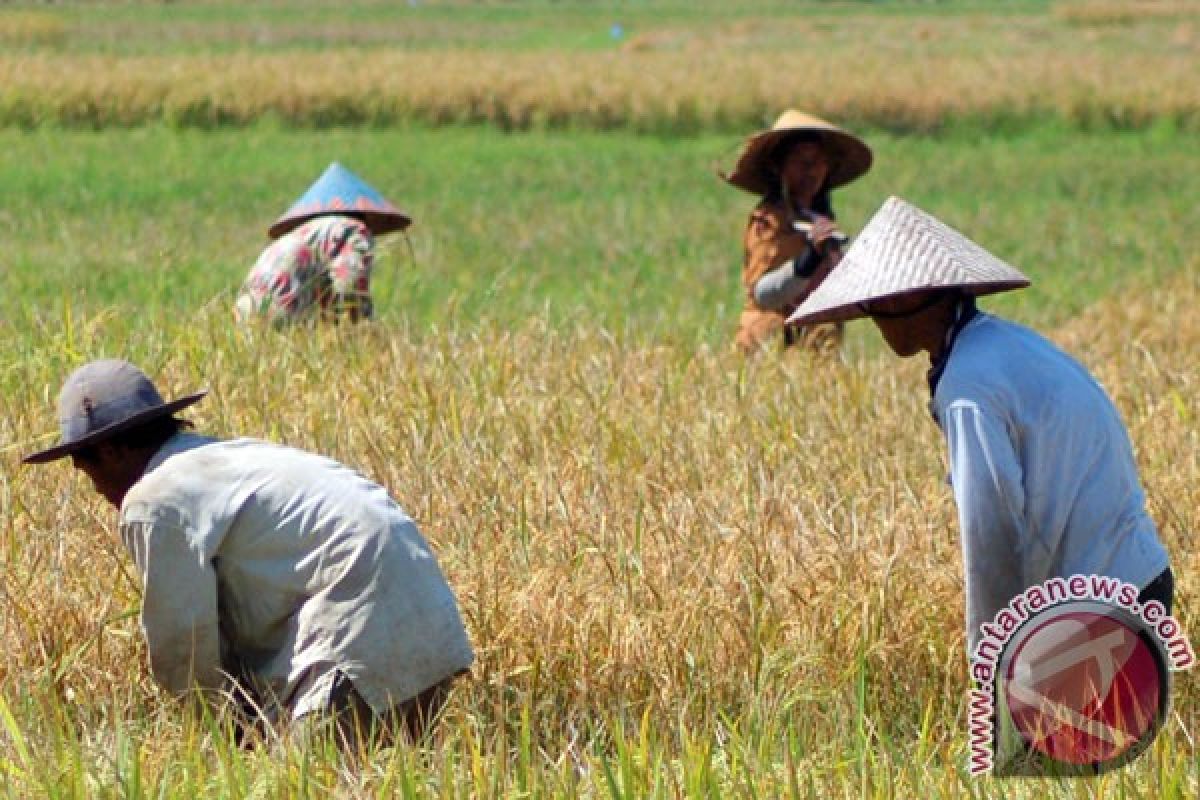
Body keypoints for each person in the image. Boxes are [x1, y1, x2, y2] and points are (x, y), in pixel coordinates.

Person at [785, 196, 1173, 654]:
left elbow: (991, 526)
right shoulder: (1006, 346)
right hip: (1139, 581)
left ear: (909, 297)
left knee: (1040, 728)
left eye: (879, 301)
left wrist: (992, 654)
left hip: (1097, 612)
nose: (875, 315)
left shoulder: (967, 384)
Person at [24, 359, 474, 748]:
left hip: (355, 631)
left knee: (303, 784)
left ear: (109, 450)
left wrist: (222, 743)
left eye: (88, 473)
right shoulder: (222, 459)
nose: (100, 492)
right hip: (428, 619)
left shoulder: (155, 498)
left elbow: (184, 644)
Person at [721, 110, 873, 354]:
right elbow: (766, 295)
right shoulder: (768, 222)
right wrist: (809, 258)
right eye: (801, 161)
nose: (811, 171)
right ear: (779, 166)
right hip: (769, 347)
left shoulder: (820, 221)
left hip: (818, 347)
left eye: (819, 162)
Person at [235, 161, 412, 325]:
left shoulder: (304, 234)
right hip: (285, 304)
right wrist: (366, 328)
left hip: (245, 308)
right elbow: (351, 288)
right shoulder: (353, 229)